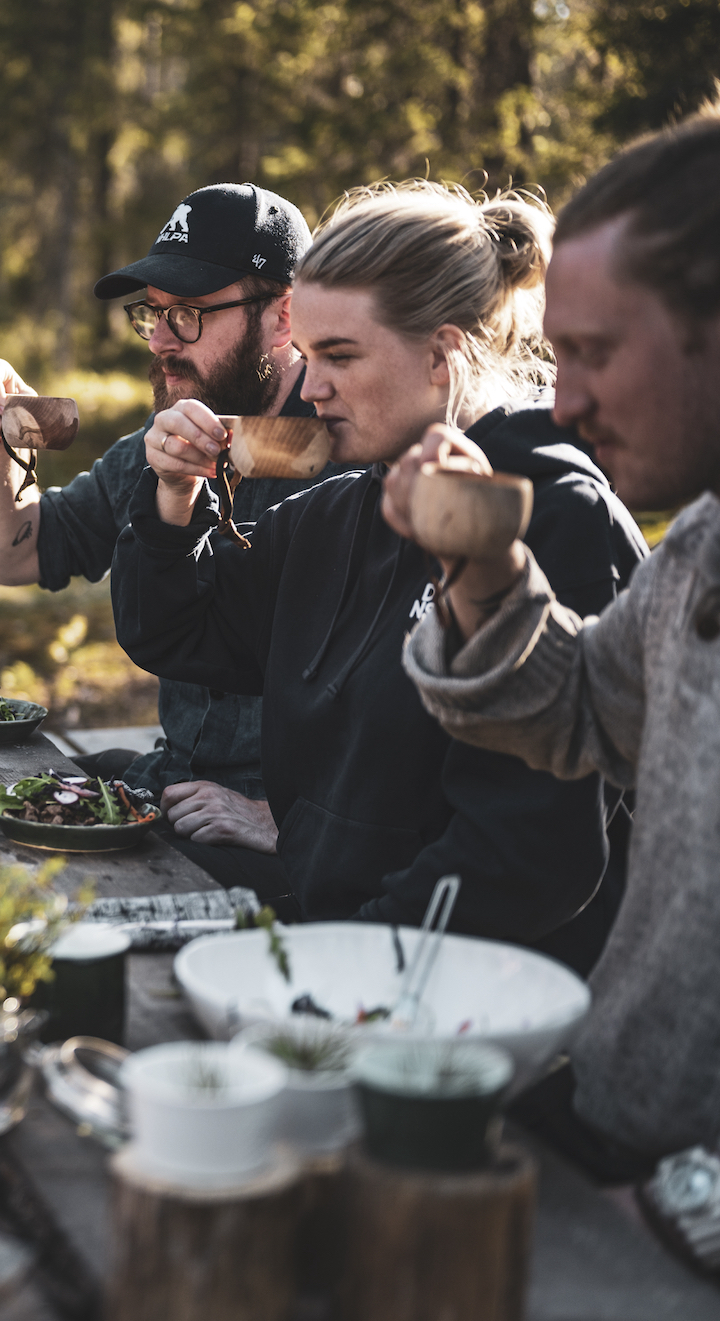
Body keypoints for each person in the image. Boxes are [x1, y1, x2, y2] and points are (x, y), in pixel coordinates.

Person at [112, 181, 647, 971]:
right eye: (309, 353)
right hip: (331, 939)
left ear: (441, 353)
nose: (312, 384)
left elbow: (527, 851)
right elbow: (177, 630)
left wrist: (331, 964)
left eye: (340, 356)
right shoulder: (339, 513)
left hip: (486, 1013)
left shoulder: (557, 518)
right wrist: (172, 497)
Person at [393, 111, 720, 1226]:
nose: (560, 400)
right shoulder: (700, 548)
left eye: (592, 352)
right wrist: (481, 564)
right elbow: (577, 708)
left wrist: (694, 1205)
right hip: (617, 1133)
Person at [0, 183, 342, 892]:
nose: (162, 341)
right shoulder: (171, 441)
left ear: (284, 316)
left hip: (286, 834)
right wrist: (1, 434)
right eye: (154, 315)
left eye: (190, 315)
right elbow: (9, 554)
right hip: (170, 784)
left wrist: (285, 817)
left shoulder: (348, 454)